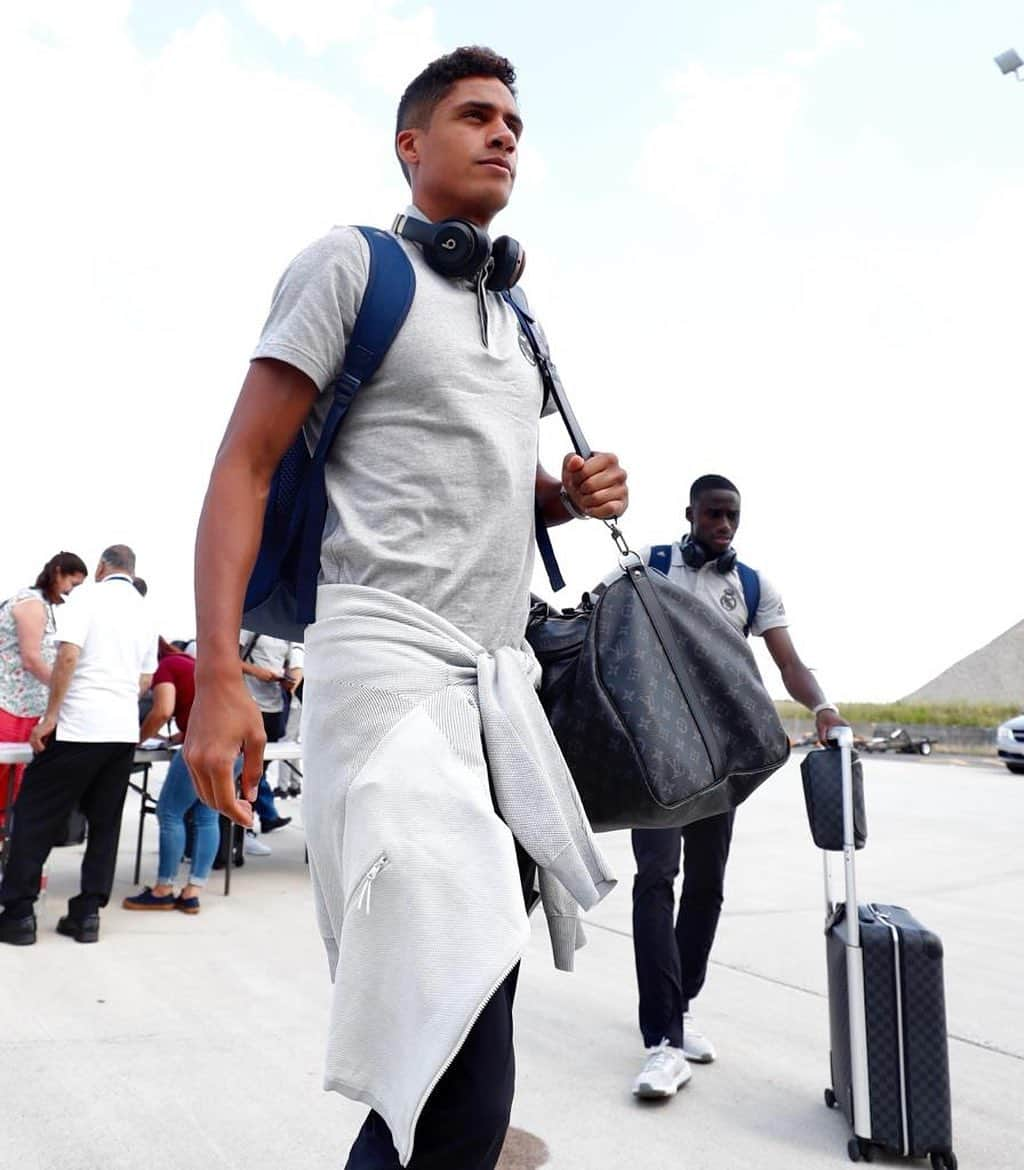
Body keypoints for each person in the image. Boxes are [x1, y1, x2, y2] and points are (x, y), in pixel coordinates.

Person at [185, 46, 627, 1170]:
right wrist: (224, 680)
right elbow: (244, 465)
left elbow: (457, 489)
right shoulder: (351, 267)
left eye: (514, 125)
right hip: (387, 687)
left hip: (494, 700)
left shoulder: (518, 317)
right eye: (475, 116)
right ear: (410, 145)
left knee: (458, 1042)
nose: (502, 136)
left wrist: (560, 501)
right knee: (454, 1070)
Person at [622, 475, 848, 1100]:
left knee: (707, 886)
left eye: (733, 517)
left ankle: (680, 1005)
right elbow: (614, 630)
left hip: (723, 756)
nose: (723, 525)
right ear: (689, 513)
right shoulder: (654, 565)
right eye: (713, 514)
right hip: (662, 752)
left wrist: (822, 706)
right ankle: (661, 1040)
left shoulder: (751, 587)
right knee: (654, 879)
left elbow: (788, 663)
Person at [0, 545, 157, 946]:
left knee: (34, 816)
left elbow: (67, 655)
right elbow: (144, 681)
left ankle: (18, 915)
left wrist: (50, 716)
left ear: (102, 566)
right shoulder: (144, 610)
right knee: (104, 825)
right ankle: (86, 914)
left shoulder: (88, 596)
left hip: (79, 726)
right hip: (120, 731)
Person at [122, 640, 216, 914]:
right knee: (207, 816)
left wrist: (139, 739)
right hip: (232, 747)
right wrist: (180, 735)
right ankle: (192, 893)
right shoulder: (191, 664)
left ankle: (163, 890)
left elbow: (163, 709)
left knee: (169, 813)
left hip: (200, 745)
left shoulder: (166, 666)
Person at [0, 551, 88, 821]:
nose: (72, 592)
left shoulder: (45, 607)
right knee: (5, 777)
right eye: (72, 584)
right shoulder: (31, 604)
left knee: (13, 782)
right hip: (9, 704)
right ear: (58, 572)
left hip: (25, 707)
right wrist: (63, 689)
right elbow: (31, 658)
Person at [237, 628, 301, 846]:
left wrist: (287, 680)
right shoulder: (250, 627)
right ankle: (245, 830)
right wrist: (257, 672)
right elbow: (229, 661)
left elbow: (291, 666)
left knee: (259, 769)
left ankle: (259, 820)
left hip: (275, 707)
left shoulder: (287, 631)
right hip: (249, 703)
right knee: (247, 771)